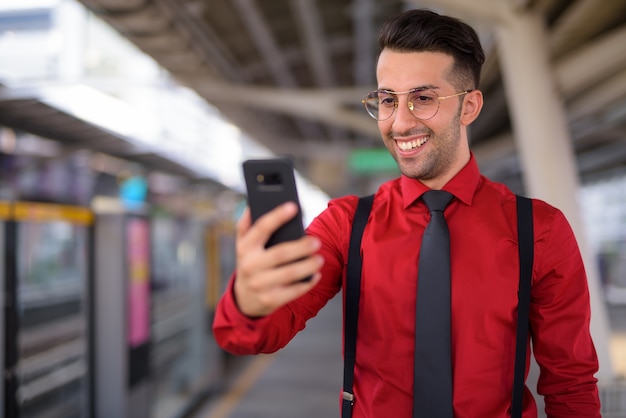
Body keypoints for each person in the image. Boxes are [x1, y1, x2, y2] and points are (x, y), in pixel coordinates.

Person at [213, 8, 601, 418]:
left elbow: (570, 383)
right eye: (387, 100)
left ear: (469, 107)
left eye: (423, 99)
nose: (399, 123)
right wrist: (250, 301)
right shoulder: (346, 225)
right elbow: (254, 337)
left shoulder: (539, 230)